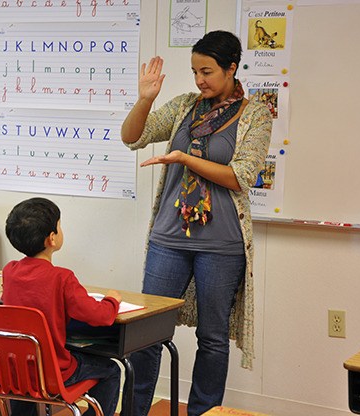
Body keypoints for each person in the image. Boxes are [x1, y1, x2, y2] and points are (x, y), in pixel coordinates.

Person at [120, 31, 272, 415]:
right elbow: (132, 138)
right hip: (168, 238)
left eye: (207, 71)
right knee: (146, 331)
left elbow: (241, 175)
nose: (199, 80)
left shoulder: (255, 115)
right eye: (194, 71)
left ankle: (204, 412)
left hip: (222, 243)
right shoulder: (185, 106)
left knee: (213, 337)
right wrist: (145, 99)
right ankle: (135, 410)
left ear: (231, 68)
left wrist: (185, 159)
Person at [2, 197, 122, 416]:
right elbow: (99, 316)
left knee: (24, 377)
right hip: (53, 372)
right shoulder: (62, 278)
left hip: (12, 371)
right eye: (59, 226)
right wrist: (112, 300)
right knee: (112, 369)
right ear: (52, 239)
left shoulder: (9, 271)